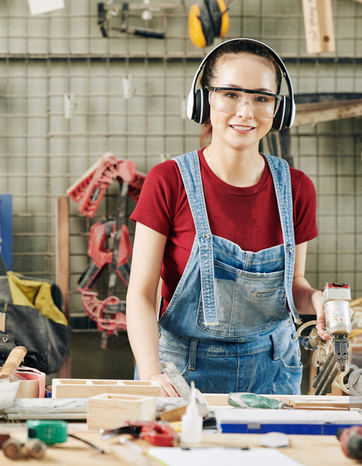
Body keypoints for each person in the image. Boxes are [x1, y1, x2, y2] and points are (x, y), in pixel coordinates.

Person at [126, 38, 326, 397]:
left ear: (279, 110)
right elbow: (141, 294)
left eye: (262, 98)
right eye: (230, 94)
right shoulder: (168, 181)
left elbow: (294, 286)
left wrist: (317, 302)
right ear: (204, 100)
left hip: (273, 371)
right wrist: (152, 375)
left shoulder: (297, 189)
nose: (246, 112)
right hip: (180, 373)